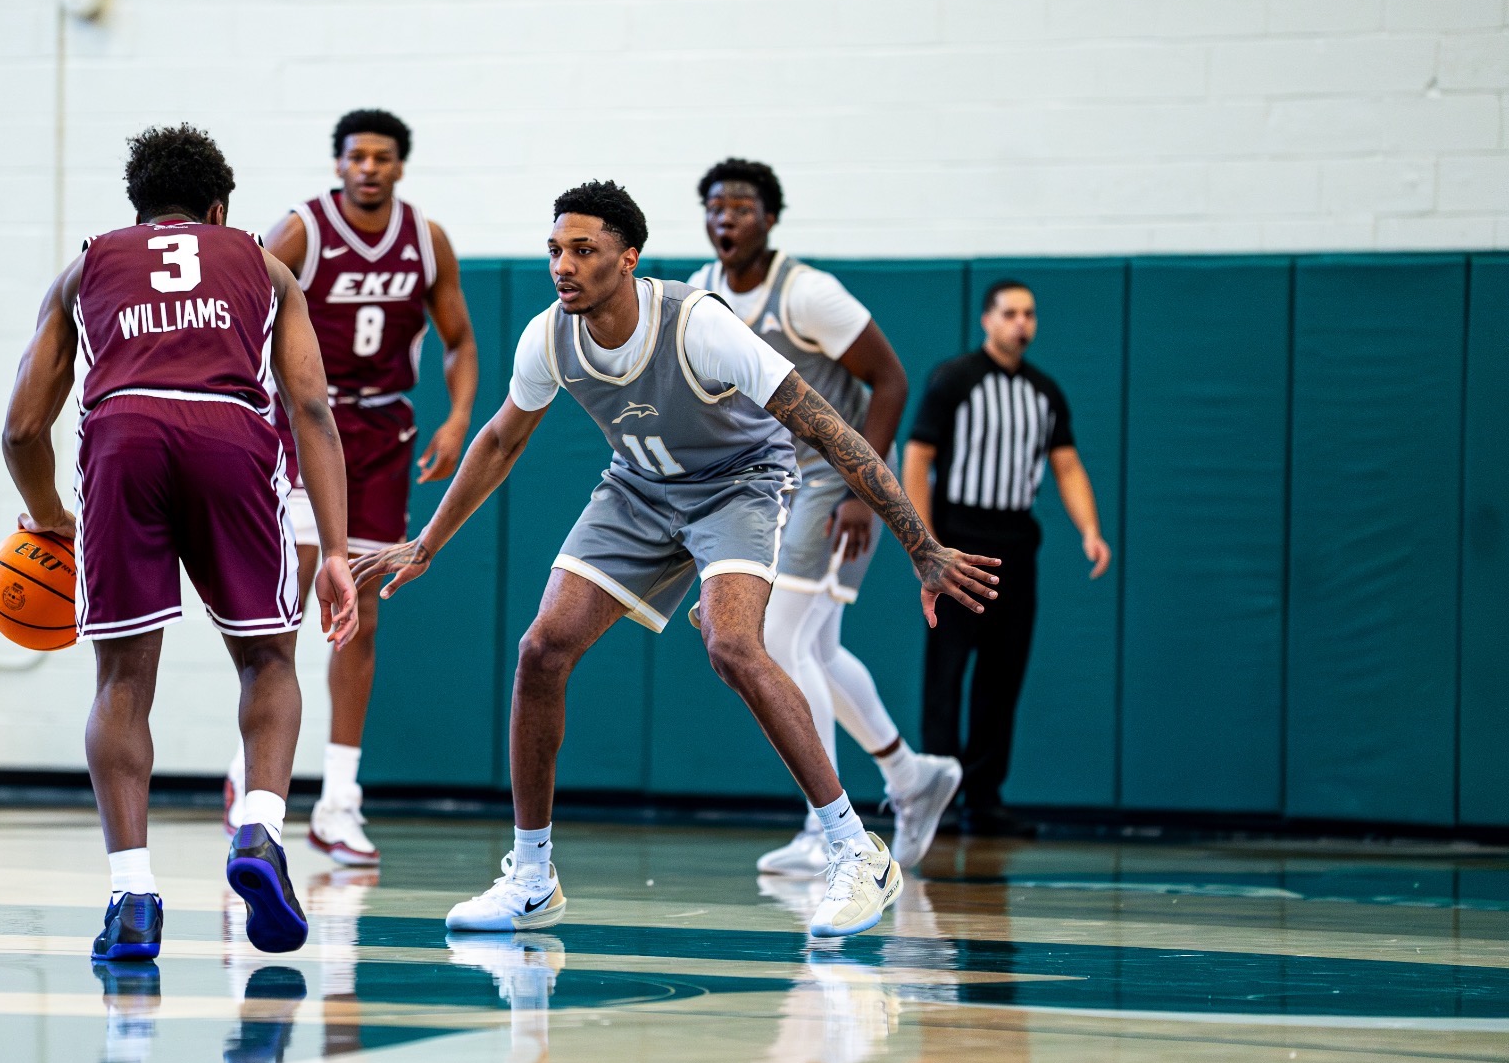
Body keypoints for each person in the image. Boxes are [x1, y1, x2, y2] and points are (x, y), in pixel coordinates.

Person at [354, 182, 997, 939]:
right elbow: (499, 438)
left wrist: (920, 544)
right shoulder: (549, 337)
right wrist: (427, 542)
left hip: (739, 484)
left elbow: (828, 430)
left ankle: (858, 850)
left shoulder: (698, 326)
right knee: (541, 648)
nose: (563, 265)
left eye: (584, 251)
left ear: (628, 259)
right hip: (639, 489)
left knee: (732, 643)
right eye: (556, 249)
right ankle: (531, 875)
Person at [1, 123, 359, 961]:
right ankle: (261, 830)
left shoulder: (86, 266)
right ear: (217, 208)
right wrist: (336, 549)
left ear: (137, 208)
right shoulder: (264, 267)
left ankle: (132, 896)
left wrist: (51, 513)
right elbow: (311, 411)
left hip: (123, 436)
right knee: (269, 659)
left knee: (123, 679)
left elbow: (22, 427)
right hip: (230, 437)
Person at [691, 158, 964, 874]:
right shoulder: (698, 295)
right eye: (715, 207)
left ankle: (827, 823)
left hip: (831, 476)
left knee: (777, 641)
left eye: (742, 207)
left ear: (771, 218)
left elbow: (892, 380)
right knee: (816, 649)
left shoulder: (808, 293)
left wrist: (861, 490)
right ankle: (911, 775)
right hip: (768, 483)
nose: (727, 218)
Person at [223, 108, 478, 867]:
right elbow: (239, 310)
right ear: (338, 165)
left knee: (360, 608)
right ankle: (250, 774)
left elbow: (459, 338)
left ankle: (338, 801)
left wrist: (459, 414)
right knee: (294, 590)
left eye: (382, 157)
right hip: (303, 425)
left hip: (382, 433)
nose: (368, 167)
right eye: (356, 156)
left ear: (400, 166)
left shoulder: (427, 241)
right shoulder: (301, 231)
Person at [903, 280, 1112, 837]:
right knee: (946, 674)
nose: (1022, 323)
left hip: (1017, 543)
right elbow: (917, 457)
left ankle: (985, 797)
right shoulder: (954, 380)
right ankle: (938, 796)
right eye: (1011, 313)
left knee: (1003, 674)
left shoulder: (1045, 392)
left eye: (1030, 314)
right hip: (958, 540)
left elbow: (1066, 465)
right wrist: (923, 542)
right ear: (987, 320)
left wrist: (1089, 529)